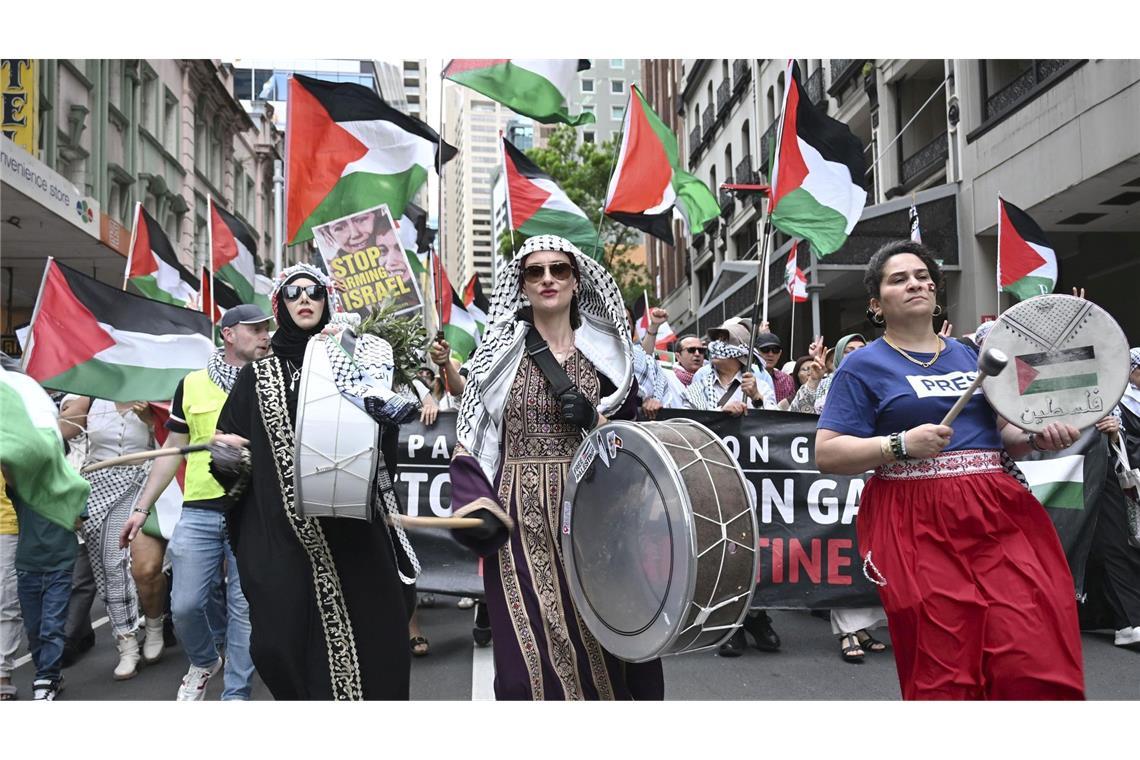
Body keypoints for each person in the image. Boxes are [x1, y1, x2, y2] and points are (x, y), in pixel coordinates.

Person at [815, 240, 1085, 700]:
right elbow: (827, 453)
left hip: (995, 512)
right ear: (876, 304)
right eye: (899, 279)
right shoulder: (861, 366)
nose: (914, 284)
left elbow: (1003, 435)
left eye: (922, 276)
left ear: (936, 291)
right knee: (946, 659)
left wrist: (1038, 438)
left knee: (1031, 647)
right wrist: (899, 445)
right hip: (916, 521)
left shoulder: (970, 355)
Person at [447, 234, 663, 700]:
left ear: (576, 280)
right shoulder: (496, 356)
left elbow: (635, 445)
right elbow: (473, 440)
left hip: (595, 522)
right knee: (523, 661)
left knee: (604, 647)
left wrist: (595, 421)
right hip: (519, 523)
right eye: (535, 271)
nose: (548, 279)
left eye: (558, 269)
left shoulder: (611, 360)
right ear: (522, 285)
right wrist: (475, 503)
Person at [213, 263, 421, 700]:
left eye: (314, 291)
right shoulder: (256, 377)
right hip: (285, 537)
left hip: (353, 529)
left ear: (327, 301)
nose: (304, 299)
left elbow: (383, 439)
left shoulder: (354, 362)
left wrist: (382, 421)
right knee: (278, 644)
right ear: (281, 305)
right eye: (293, 293)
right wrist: (226, 454)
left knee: (378, 638)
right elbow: (231, 455)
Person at [119, 304, 271, 700]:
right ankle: (204, 660)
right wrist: (141, 509)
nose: (264, 335)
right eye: (255, 329)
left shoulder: (272, 381)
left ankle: (236, 693)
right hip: (200, 508)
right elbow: (172, 450)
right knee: (185, 605)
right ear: (228, 335)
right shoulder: (191, 384)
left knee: (243, 607)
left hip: (252, 510)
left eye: (266, 329)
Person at [1, 364, 91, 701]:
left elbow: (79, 521)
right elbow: (10, 461)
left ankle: (46, 677)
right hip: (27, 565)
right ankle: (46, 670)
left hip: (59, 566)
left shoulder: (72, 488)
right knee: (35, 627)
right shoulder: (22, 488)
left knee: (52, 625)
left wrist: (65, 503)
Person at [58, 394, 156, 680]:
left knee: (126, 563)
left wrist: (151, 421)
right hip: (98, 487)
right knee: (105, 568)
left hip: (143, 482)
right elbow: (61, 432)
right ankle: (126, 642)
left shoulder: (153, 393)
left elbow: (173, 441)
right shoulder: (90, 397)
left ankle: (153, 627)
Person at [686, 318, 777, 415]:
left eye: (725, 340)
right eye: (716, 340)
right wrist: (720, 412)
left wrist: (756, 397)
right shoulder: (698, 387)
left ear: (742, 351)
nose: (716, 346)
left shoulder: (761, 387)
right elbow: (687, 419)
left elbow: (775, 420)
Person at [755, 331, 796, 407]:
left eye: (775, 350)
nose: (770, 354)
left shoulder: (787, 380)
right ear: (755, 352)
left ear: (780, 353)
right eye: (765, 349)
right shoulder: (746, 376)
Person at [664, 334, 706, 407]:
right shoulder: (667, 378)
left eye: (701, 350)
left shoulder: (712, 377)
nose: (697, 354)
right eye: (691, 350)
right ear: (678, 356)